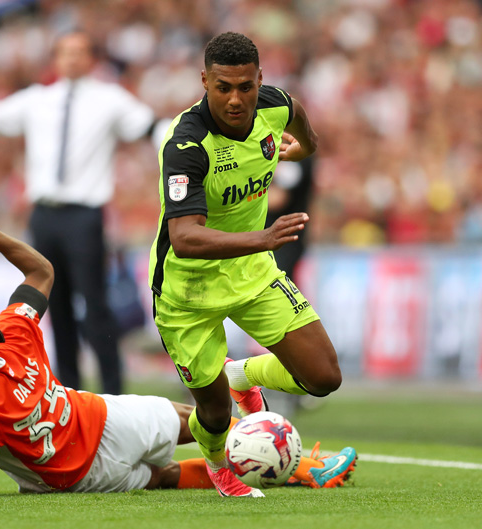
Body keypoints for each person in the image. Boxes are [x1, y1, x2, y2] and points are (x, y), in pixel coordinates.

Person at [0, 188, 341, 495]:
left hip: (102, 415)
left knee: (220, 423)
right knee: (170, 475)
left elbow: (42, 269)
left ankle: (298, 465)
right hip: (84, 470)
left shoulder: (6, 347)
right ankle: (294, 466)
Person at [149, 32, 356, 497]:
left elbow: (298, 115)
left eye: (246, 86)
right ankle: (219, 465)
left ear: (260, 79)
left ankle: (239, 372)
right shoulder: (186, 144)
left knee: (324, 377)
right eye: (223, 87)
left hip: (251, 271)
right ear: (205, 81)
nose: (236, 98)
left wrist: (304, 148)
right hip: (187, 290)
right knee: (216, 413)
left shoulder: (274, 105)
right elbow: (184, 239)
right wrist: (262, 238)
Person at [0, 31, 156, 395]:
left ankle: (113, 394)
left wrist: (191, 137)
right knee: (57, 308)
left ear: (91, 59)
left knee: (96, 307)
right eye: (65, 52)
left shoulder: (110, 100)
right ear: (56, 58)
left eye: (79, 52)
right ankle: (70, 392)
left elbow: (150, 127)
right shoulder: (39, 101)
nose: (71, 59)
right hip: (45, 215)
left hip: (85, 214)